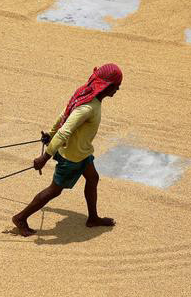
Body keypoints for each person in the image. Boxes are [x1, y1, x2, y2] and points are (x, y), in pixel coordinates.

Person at [12, 63, 122, 237]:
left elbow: (64, 114)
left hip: (83, 152)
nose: (118, 89)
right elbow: (65, 130)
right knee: (54, 191)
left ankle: (93, 218)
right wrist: (45, 156)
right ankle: (20, 218)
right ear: (108, 86)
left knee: (93, 179)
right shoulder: (89, 107)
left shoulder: (84, 93)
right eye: (116, 86)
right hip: (72, 157)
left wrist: (50, 133)